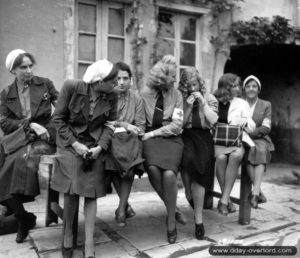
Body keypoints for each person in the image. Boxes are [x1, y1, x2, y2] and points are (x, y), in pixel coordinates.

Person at [51, 59, 118, 258]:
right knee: (73, 186)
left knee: (91, 190)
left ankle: (89, 244)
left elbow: (110, 125)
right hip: (70, 143)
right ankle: (68, 235)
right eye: (112, 81)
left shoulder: (112, 95)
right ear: (98, 82)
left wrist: (100, 148)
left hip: (94, 145)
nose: (116, 85)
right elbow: (58, 120)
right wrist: (75, 144)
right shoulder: (72, 87)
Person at [0, 49, 58, 243]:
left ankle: (22, 218)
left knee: (16, 162)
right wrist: (28, 124)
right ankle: (22, 217)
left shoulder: (45, 84)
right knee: (3, 165)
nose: (28, 70)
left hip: (43, 137)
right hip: (20, 137)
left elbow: (61, 109)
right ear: (13, 71)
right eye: (23, 67)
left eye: (30, 66)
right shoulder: (6, 94)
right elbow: (4, 123)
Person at [141, 57, 184, 244]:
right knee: (151, 169)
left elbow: (177, 126)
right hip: (150, 138)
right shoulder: (144, 95)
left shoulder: (177, 95)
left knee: (169, 175)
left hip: (171, 139)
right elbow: (141, 123)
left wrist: (153, 134)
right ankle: (172, 209)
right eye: (173, 77)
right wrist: (147, 135)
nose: (176, 80)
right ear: (163, 78)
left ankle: (171, 221)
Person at [178, 68, 218, 240]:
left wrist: (203, 103)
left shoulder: (209, 98)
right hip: (185, 134)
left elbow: (214, 120)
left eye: (194, 84)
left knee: (201, 165)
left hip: (203, 136)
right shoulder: (181, 99)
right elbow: (180, 124)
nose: (192, 88)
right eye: (188, 86)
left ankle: (199, 220)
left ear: (200, 83)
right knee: (185, 156)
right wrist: (187, 106)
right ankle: (188, 192)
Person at [105, 62, 145, 227]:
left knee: (128, 169)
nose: (121, 82)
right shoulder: (107, 97)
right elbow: (105, 121)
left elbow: (141, 124)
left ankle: (121, 209)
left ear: (131, 80)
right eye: (118, 78)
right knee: (112, 162)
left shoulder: (136, 99)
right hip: (110, 138)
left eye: (125, 78)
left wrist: (133, 129)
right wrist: (125, 124)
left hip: (130, 140)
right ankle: (124, 207)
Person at [215, 73, 256, 216]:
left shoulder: (242, 103)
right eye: (234, 86)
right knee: (220, 159)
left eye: (238, 85)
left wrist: (244, 121)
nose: (238, 88)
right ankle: (227, 201)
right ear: (226, 87)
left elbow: (252, 126)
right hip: (218, 140)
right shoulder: (214, 100)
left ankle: (224, 200)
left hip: (236, 139)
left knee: (236, 155)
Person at [243, 75, 274, 208]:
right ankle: (258, 192)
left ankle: (254, 192)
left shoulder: (266, 105)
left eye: (254, 86)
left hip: (260, 138)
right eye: (248, 86)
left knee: (260, 150)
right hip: (242, 137)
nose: (251, 89)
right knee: (249, 151)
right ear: (244, 89)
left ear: (258, 89)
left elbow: (266, 127)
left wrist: (252, 133)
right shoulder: (239, 103)